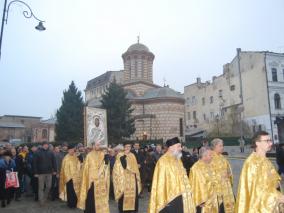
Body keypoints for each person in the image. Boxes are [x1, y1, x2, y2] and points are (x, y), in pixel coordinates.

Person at [235, 131, 284, 212]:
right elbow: (258, 192)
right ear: (257, 143)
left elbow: (273, 183)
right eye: (267, 141)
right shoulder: (252, 163)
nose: (270, 143)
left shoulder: (265, 161)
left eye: (270, 140)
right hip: (259, 208)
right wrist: (278, 197)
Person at [148, 137, 195, 213]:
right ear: (171, 148)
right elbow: (160, 184)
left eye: (181, 146)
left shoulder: (178, 160)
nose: (181, 148)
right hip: (170, 199)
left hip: (182, 196)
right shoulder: (163, 161)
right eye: (178, 146)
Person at [77, 142, 110, 213]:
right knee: (90, 198)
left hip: (101, 181)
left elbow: (106, 166)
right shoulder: (89, 155)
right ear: (93, 146)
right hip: (91, 181)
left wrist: (106, 156)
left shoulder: (102, 154)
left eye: (99, 145)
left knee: (101, 198)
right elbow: (85, 169)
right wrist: (89, 178)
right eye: (97, 145)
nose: (98, 146)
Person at [113, 142, 141, 213]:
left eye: (129, 147)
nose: (128, 148)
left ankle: (132, 209)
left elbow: (135, 168)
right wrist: (125, 155)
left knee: (133, 194)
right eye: (126, 146)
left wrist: (136, 172)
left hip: (132, 178)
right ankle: (123, 210)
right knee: (124, 195)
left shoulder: (132, 155)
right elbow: (121, 166)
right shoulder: (120, 155)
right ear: (124, 147)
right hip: (123, 178)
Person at [189, 147, 218, 213]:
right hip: (203, 202)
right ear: (204, 156)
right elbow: (195, 186)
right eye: (210, 155)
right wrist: (200, 201)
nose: (212, 156)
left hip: (213, 199)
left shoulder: (210, 165)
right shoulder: (196, 168)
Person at [210, 138, 235, 213]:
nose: (222, 147)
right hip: (216, 191)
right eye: (220, 146)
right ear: (214, 146)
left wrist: (229, 174)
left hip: (227, 189)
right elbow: (207, 173)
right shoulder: (210, 157)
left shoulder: (223, 158)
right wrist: (220, 176)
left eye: (222, 146)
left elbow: (228, 170)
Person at [33, 142, 57, 206]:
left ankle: (44, 198)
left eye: (47, 145)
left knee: (49, 186)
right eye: (45, 145)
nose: (46, 146)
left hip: (49, 172)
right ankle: (41, 201)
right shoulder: (37, 152)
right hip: (40, 173)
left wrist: (55, 170)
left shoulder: (51, 152)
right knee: (41, 187)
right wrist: (35, 172)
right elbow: (34, 163)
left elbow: (54, 162)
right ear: (42, 145)